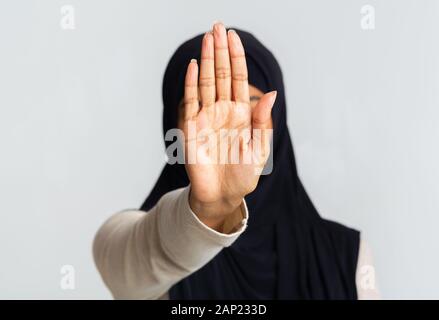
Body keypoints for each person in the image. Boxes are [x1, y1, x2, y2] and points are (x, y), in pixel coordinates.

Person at [93, 22, 380, 299]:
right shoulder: (129, 247)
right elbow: (134, 272)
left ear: (277, 121)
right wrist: (209, 210)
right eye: (204, 107)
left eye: (248, 106)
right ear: (173, 125)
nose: (227, 128)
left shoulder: (346, 254)